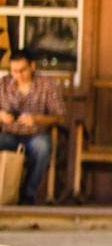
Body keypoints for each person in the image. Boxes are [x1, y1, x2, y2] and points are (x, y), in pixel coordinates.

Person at [0, 49, 66, 204]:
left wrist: (36, 119)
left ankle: (27, 195)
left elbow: (59, 117)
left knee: (42, 146)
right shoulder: (3, 84)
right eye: (14, 71)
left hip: (35, 135)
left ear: (32, 66)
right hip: (8, 135)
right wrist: (2, 115)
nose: (18, 75)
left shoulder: (47, 84)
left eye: (22, 70)